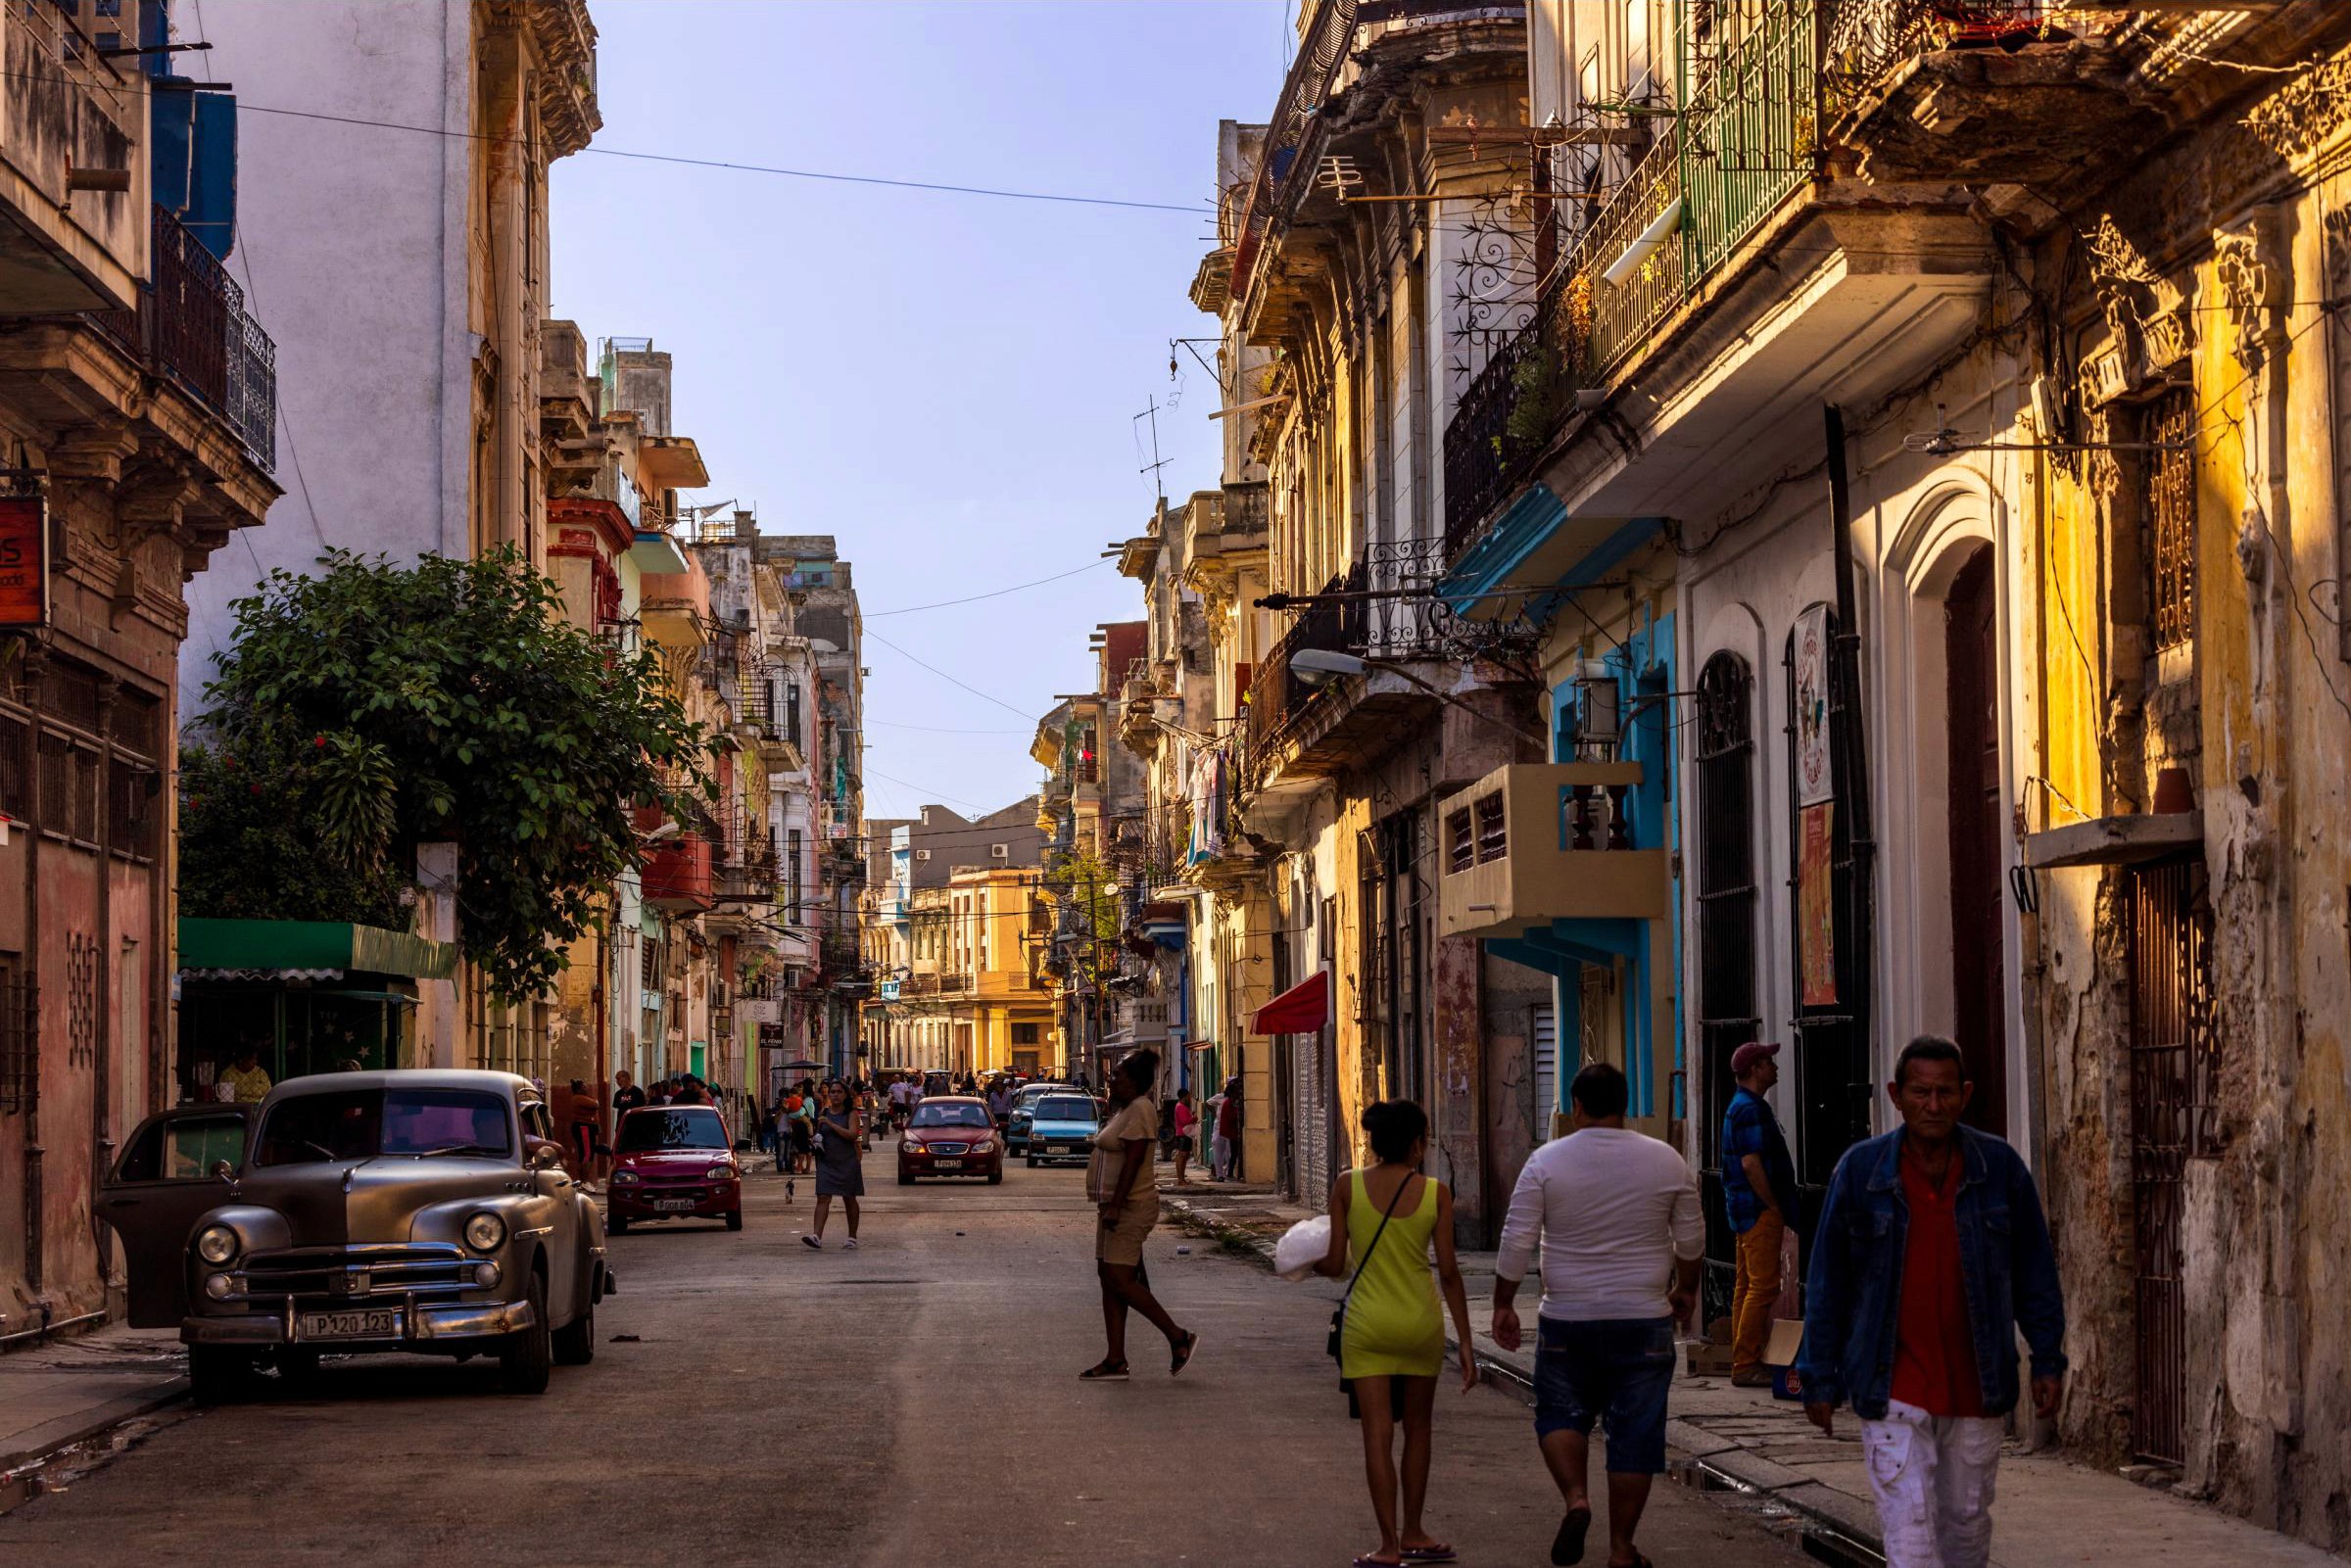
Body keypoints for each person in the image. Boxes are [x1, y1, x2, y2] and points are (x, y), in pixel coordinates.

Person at [1799, 1036, 2065, 1568]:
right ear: (1897, 1095)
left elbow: (2035, 1271)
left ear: (1965, 1094)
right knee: (1912, 1533)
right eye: (1921, 1092)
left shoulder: (2001, 1171)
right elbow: (1828, 1281)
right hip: (1891, 1385)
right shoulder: (1861, 1173)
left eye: (1945, 1092)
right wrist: (1818, 1377)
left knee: (1966, 1530)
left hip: (1977, 1386)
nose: (1934, 1105)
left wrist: (2047, 1357)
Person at [1492, 1062, 1702, 1568]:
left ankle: (1576, 1499)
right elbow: (1692, 1240)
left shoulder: (1546, 1162)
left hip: (1568, 1318)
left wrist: (1503, 1303)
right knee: (1634, 1434)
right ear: (1625, 1106)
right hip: (1643, 1319)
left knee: (1560, 1413)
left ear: (1576, 1106)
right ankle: (1622, 1548)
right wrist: (1685, 1291)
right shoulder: (1667, 1161)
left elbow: (1516, 1241)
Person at [1314, 1100, 1477, 1568]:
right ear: (1416, 1143)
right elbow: (1448, 1273)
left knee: (1377, 1435)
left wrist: (1300, 1260)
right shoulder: (1435, 1193)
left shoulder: (1347, 1186)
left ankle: (1387, 1546)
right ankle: (1415, 1531)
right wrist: (1465, 1341)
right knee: (1419, 1429)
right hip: (1419, 1323)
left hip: (1366, 1326)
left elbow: (1334, 1263)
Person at [1080, 1048, 1196, 1382]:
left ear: (1134, 1082)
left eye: (1117, 1076)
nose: (1111, 1080)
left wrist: (1117, 1205)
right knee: (1109, 1279)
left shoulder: (1141, 1109)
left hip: (1129, 1206)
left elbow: (1132, 1162)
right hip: (1112, 1208)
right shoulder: (1126, 1110)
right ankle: (1115, 1358)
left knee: (1121, 1280)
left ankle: (1178, 1337)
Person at [1720, 1040, 1798, 1388]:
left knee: (1746, 1285)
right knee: (1763, 1287)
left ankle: (1743, 1357)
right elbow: (1751, 1164)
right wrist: (1773, 1204)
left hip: (1743, 1207)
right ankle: (1746, 1362)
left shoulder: (1742, 1106)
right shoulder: (1749, 1109)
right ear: (1755, 1069)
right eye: (1769, 1062)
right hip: (1756, 1209)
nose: (1775, 1067)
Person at [803, 1081, 865, 1249]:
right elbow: (819, 1133)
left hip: (847, 1161)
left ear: (845, 1095)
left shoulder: (851, 1114)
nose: (835, 1095)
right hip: (827, 1161)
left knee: (849, 1197)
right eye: (832, 1092)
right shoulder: (824, 1112)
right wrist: (815, 1139)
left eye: (839, 1092)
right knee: (823, 1196)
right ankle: (816, 1236)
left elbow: (852, 1135)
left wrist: (832, 1125)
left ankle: (852, 1236)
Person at [564, 1078, 602, 1178]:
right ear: (579, 1089)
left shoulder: (581, 1097)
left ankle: (583, 1180)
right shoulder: (579, 1098)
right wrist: (595, 1101)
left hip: (585, 1127)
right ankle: (585, 1180)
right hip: (584, 1127)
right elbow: (596, 1104)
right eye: (584, 1087)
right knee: (587, 1155)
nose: (586, 1088)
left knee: (585, 1154)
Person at [1214, 1075, 1242, 1182]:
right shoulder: (1227, 1102)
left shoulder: (1229, 1101)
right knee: (1223, 1152)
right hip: (1226, 1130)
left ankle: (1227, 1173)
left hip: (1227, 1130)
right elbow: (1231, 1117)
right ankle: (1224, 1174)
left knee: (1230, 1153)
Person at [1170, 1089, 1199, 1187]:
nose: (1189, 1098)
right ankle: (1181, 1180)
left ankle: (1182, 1179)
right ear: (1185, 1096)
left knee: (1184, 1156)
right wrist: (1193, 1118)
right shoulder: (1181, 1107)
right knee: (1181, 1157)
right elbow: (1184, 1121)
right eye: (1188, 1096)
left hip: (1185, 1134)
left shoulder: (1181, 1106)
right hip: (1183, 1134)